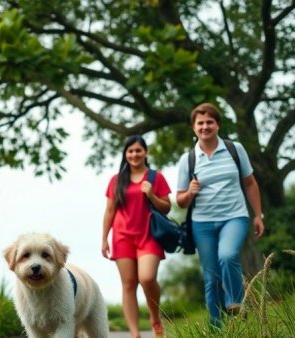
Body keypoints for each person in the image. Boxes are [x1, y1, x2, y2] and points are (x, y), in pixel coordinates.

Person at [176, 102, 265, 329]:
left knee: (227, 255)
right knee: (211, 277)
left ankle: (236, 305)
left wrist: (258, 215)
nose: (205, 127)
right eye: (200, 123)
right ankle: (216, 328)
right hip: (202, 223)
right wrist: (189, 193)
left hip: (234, 217)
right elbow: (179, 200)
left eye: (210, 122)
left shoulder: (235, 149)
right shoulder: (188, 159)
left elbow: (249, 182)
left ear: (218, 125)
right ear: (194, 128)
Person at [101, 135, 170, 338]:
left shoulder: (156, 177)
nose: (134, 154)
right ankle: (135, 334)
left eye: (138, 150)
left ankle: (155, 319)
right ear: (125, 154)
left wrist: (151, 195)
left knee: (147, 278)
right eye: (130, 151)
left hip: (149, 235)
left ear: (145, 153)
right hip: (122, 237)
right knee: (129, 284)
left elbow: (166, 207)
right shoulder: (116, 180)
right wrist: (104, 238)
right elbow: (110, 211)